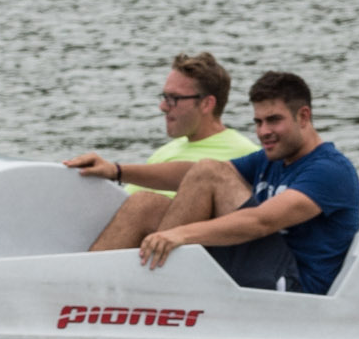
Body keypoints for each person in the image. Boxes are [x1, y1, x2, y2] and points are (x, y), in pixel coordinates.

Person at [74, 71, 359, 294]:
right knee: (145, 203)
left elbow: (261, 222)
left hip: (292, 290)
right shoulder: (271, 160)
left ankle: (147, 295)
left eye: (273, 120)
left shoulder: (329, 171)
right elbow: (187, 174)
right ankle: (76, 292)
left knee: (210, 172)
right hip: (258, 266)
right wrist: (116, 170)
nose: (264, 131)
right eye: (258, 122)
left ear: (304, 117)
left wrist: (181, 235)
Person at [66, 54, 259, 245]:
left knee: (145, 204)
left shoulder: (246, 154)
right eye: (164, 97)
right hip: (129, 247)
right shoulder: (166, 151)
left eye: (174, 98)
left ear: (206, 104)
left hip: (186, 255)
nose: (163, 107)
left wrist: (117, 171)